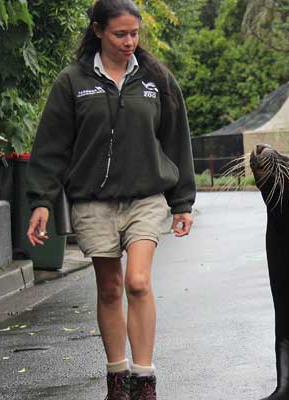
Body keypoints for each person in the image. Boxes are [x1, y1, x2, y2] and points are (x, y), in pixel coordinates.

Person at [25, 1, 195, 399]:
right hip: (93, 202)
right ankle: (117, 377)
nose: (129, 42)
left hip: (145, 198)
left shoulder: (156, 80)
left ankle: (145, 378)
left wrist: (182, 202)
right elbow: (51, 146)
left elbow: (176, 140)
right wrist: (42, 201)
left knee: (137, 282)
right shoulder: (72, 82)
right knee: (109, 287)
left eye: (134, 34)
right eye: (120, 34)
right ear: (99, 30)